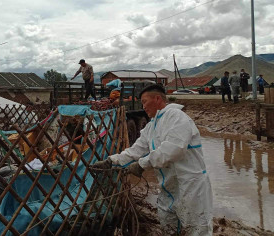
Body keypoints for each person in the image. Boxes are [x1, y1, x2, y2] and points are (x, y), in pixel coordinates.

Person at [91, 84, 213, 235]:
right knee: (169, 227)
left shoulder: (176, 117)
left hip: (190, 185)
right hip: (168, 188)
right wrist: (112, 160)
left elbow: (173, 149)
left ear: (157, 99)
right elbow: (137, 149)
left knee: (196, 229)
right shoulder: (151, 126)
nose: (143, 106)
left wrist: (142, 165)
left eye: (144, 101)